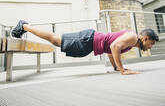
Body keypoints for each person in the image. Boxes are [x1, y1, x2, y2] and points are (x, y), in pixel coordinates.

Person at [11, 20, 159, 75]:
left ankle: (25, 26)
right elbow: (114, 46)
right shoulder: (133, 37)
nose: (150, 46)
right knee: (56, 40)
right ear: (145, 38)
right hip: (89, 40)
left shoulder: (132, 41)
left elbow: (110, 51)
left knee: (56, 41)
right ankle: (24, 26)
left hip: (89, 43)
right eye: (151, 43)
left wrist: (115, 67)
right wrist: (122, 70)